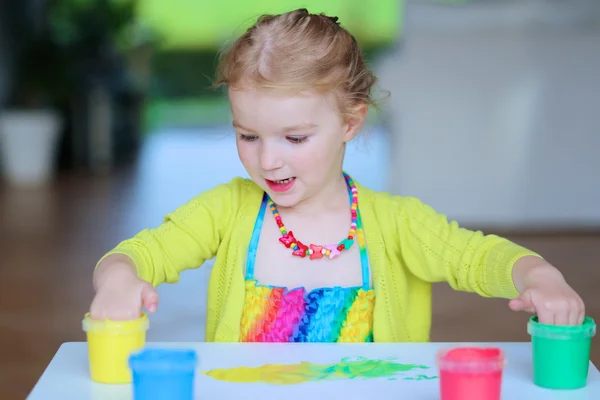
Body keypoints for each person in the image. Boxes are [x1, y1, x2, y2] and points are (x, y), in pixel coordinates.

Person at [90, 9, 585, 343]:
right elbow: (140, 254)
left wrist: (540, 276)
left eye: (295, 139)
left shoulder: (396, 223)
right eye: (248, 136)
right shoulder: (226, 212)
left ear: (351, 122)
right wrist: (116, 279)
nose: (268, 162)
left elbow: (478, 257)